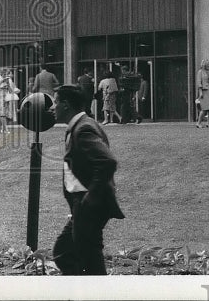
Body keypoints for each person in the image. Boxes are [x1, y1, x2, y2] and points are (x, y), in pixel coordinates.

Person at [49, 85, 125, 275]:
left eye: (55, 102)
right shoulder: (80, 125)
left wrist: (90, 197)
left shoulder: (83, 129)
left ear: (66, 105)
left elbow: (107, 162)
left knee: (74, 254)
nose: (52, 107)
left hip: (88, 204)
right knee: (72, 252)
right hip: (84, 203)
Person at [0, 68, 20, 133]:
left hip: (7, 98)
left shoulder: (9, 80)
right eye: (4, 74)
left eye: (7, 74)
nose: (6, 75)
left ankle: (3, 128)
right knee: (2, 113)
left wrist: (8, 85)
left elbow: (11, 90)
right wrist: (2, 82)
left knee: (6, 113)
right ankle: (6, 129)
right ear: (1, 73)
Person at [196, 59, 209, 127]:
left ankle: (208, 123)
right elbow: (199, 83)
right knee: (204, 108)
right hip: (204, 91)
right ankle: (198, 123)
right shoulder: (200, 72)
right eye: (208, 65)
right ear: (204, 65)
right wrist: (200, 92)